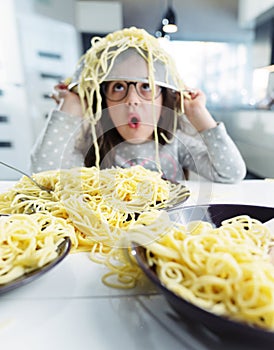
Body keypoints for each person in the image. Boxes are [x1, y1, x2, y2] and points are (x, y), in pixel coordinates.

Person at [30, 27, 246, 183]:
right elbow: (42, 174)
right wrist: (71, 106)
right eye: (118, 87)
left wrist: (198, 113)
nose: (132, 99)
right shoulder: (91, 149)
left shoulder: (175, 145)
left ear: (164, 101)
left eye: (146, 87)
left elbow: (231, 173)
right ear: (103, 102)